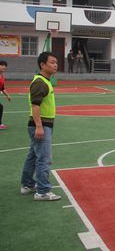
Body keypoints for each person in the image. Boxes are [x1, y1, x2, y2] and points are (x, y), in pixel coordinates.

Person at [21, 52, 61, 201]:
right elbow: (35, 106)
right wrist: (39, 126)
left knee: (33, 156)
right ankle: (43, 191)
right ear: (42, 65)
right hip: (41, 125)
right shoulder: (40, 82)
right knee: (44, 158)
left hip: (42, 124)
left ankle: (27, 185)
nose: (55, 65)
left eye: (56, 62)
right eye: (52, 62)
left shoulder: (45, 81)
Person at [0, 60, 11, 130]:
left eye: (5, 66)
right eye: (1, 65)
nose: (4, 67)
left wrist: (7, 95)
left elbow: (2, 88)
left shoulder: (2, 77)